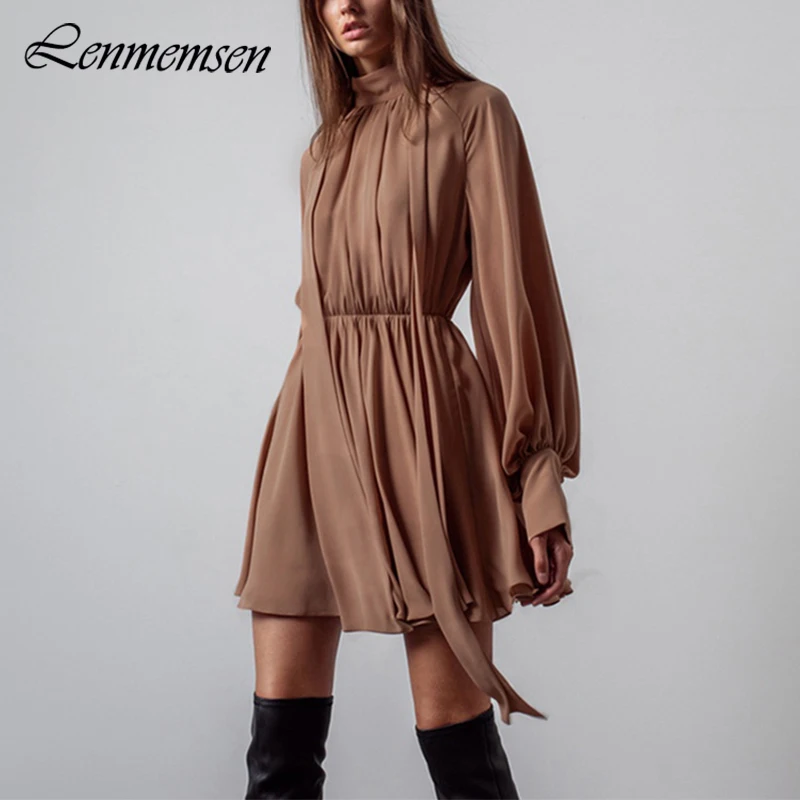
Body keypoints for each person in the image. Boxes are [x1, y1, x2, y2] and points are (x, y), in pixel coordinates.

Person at [234, 0, 581, 797]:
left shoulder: (474, 113)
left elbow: (513, 300)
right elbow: (319, 310)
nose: (347, 6)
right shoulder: (325, 146)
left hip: (426, 423)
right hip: (313, 425)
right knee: (278, 752)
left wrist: (537, 480)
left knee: (455, 740)